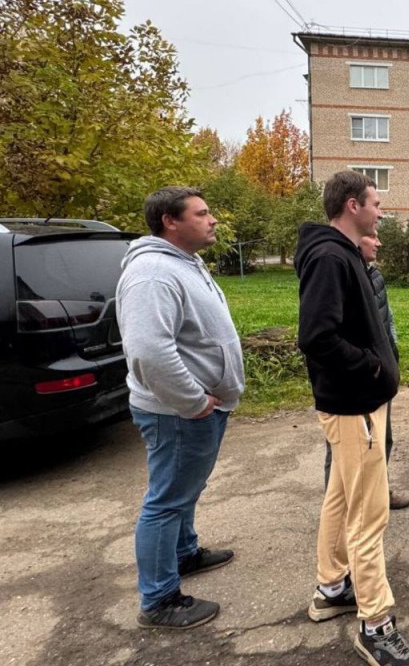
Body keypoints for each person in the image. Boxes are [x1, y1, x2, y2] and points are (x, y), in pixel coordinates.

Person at [295, 170, 409, 665]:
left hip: (358, 404)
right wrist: (369, 366)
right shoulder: (329, 257)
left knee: (340, 497)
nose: (380, 210)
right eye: (375, 202)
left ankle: (331, 588)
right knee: (369, 515)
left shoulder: (343, 254)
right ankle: (375, 622)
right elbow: (317, 336)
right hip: (355, 405)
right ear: (352, 205)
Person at [117, 186, 244, 629]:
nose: (212, 221)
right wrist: (192, 400)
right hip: (177, 412)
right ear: (171, 221)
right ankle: (159, 599)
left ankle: (185, 553)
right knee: (167, 500)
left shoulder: (184, 263)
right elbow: (149, 351)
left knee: (183, 490)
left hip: (195, 408)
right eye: (202, 213)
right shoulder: (153, 273)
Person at [323, 231, 409, 511]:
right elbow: (324, 333)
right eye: (372, 237)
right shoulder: (340, 273)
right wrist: (367, 363)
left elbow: (387, 320)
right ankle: (342, 505)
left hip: (381, 372)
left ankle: (379, 492)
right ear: (355, 240)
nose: (379, 242)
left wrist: (392, 355)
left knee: (382, 437)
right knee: (344, 447)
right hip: (355, 376)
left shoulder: (374, 275)